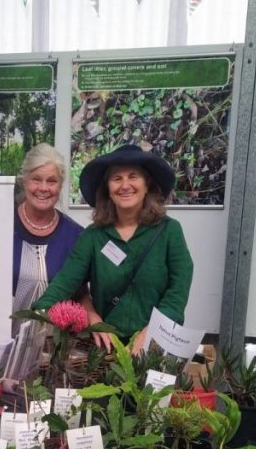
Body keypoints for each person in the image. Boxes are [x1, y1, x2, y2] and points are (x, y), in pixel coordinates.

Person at [33, 144, 193, 354]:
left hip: (154, 348)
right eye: (117, 178)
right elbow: (65, 282)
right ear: (107, 189)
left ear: (147, 185)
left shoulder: (170, 231)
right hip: (106, 350)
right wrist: (37, 314)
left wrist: (153, 332)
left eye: (133, 176)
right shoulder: (92, 236)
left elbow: (178, 292)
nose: (125, 185)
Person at [12, 143, 83, 326]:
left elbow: (81, 294)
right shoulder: (3, 225)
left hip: (54, 340)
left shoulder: (76, 235)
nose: (43, 188)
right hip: (1, 336)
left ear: (60, 185)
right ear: (24, 181)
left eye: (52, 181)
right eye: (36, 179)